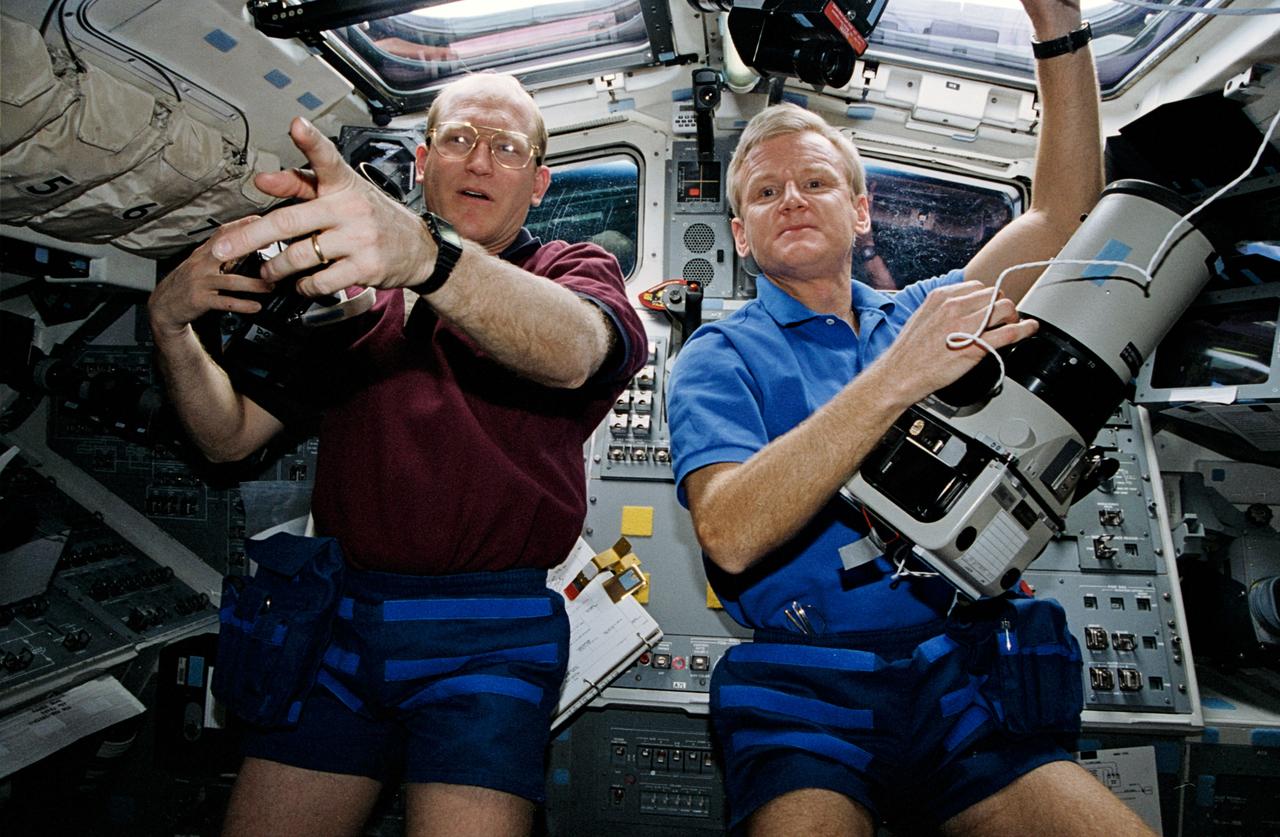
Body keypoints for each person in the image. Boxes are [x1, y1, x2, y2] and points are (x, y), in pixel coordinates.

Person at [666, 1, 1160, 834]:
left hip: (961, 673)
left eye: (817, 181)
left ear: (860, 214)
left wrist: (1060, 25)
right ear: (741, 235)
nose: (792, 198)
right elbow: (730, 532)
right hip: (805, 685)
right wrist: (897, 377)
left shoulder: (929, 312)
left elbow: (1066, 216)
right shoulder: (719, 356)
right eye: (764, 190)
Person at [148, 72, 646, 836]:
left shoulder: (566, 272)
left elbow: (581, 348)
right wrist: (171, 328)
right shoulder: (348, 295)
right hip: (340, 615)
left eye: (506, 148)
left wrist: (428, 258)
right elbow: (229, 436)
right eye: (458, 140)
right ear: (421, 163)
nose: (479, 162)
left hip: (491, 633)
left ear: (540, 182)